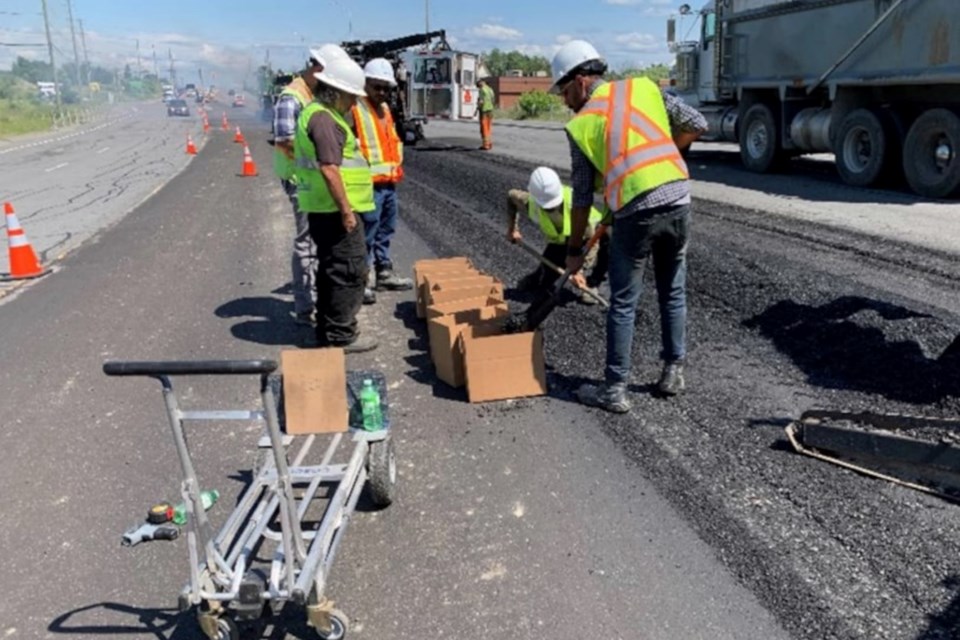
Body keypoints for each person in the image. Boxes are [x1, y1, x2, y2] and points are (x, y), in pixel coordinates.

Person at [551, 39, 708, 411]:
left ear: (582, 81)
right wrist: (665, 156)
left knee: (623, 301)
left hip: (638, 212)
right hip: (678, 198)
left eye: (564, 89)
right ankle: (673, 372)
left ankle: (614, 390)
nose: (564, 100)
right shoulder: (646, 87)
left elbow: (583, 198)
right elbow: (697, 124)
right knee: (673, 290)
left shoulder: (582, 124)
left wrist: (574, 252)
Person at [293, 47, 378, 353]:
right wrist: (347, 212)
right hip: (335, 211)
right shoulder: (324, 120)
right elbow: (330, 169)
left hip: (323, 209)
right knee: (348, 270)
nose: (354, 102)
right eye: (352, 96)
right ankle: (342, 335)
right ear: (338, 92)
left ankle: (327, 330)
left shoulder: (317, 114)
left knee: (332, 269)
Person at [349, 57, 414, 306]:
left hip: (388, 183)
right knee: (367, 233)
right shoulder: (356, 108)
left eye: (386, 88)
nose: (382, 92)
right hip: (368, 185)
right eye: (377, 87)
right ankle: (362, 280)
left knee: (386, 229)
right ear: (365, 84)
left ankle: (384, 272)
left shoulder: (385, 109)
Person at [272, 50, 324, 326]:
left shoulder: (312, 95)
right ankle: (306, 308)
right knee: (307, 242)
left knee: (316, 240)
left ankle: (314, 297)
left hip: (312, 179)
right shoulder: (291, 97)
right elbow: (286, 141)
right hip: (300, 180)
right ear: (315, 68)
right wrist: (320, 163)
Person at [506, 166, 608, 305]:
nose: (551, 208)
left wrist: (580, 270)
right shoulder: (530, 202)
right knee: (546, 277)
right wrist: (512, 229)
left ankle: (591, 283)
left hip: (591, 236)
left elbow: (592, 241)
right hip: (561, 240)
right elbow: (511, 196)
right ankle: (539, 275)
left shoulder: (576, 206)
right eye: (547, 207)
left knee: (608, 242)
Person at [476, 78, 495, 150]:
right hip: (490, 110)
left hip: (484, 110)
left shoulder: (482, 90)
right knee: (489, 127)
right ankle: (489, 143)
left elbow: (481, 101)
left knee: (484, 128)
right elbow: (493, 99)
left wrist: (478, 106)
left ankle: (485, 145)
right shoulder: (490, 89)